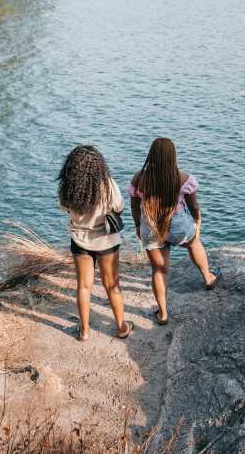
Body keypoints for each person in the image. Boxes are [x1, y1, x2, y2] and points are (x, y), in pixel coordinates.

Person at [129, 138, 218, 325]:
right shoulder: (183, 178)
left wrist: (138, 225)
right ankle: (208, 278)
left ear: (151, 155)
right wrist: (197, 221)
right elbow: (193, 206)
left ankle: (163, 314)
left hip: (151, 227)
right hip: (178, 227)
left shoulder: (139, 179)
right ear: (173, 156)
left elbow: (135, 206)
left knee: (159, 270)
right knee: (194, 242)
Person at [58, 145, 134, 341]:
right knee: (112, 285)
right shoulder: (108, 185)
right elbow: (119, 206)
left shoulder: (68, 186)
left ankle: (84, 331)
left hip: (80, 241)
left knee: (84, 286)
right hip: (106, 241)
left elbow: (64, 207)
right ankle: (121, 327)